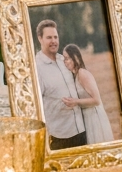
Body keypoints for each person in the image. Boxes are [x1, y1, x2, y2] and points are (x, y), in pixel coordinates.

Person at [33, 20, 86, 149]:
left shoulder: (64, 60)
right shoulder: (36, 67)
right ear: (40, 39)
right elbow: (35, 105)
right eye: (49, 37)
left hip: (82, 129)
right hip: (60, 136)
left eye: (55, 37)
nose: (54, 41)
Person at [62, 44, 114, 144]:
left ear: (75, 57)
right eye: (64, 59)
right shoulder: (75, 75)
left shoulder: (82, 73)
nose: (65, 62)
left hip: (94, 118)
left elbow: (97, 100)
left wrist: (76, 102)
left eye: (67, 58)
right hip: (87, 118)